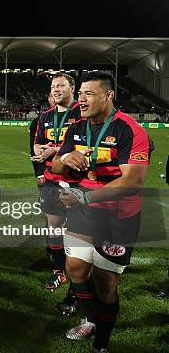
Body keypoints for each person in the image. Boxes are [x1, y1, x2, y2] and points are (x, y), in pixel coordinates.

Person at [52, 71, 150, 353]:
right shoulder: (76, 127)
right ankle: (88, 319)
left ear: (108, 96)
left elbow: (133, 181)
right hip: (83, 212)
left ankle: (101, 344)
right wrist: (66, 158)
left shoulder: (129, 129)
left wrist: (85, 195)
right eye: (80, 94)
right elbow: (58, 167)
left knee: (106, 283)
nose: (81, 100)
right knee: (75, 268)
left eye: (89, 94)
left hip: (117, 217)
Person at [32, 73, 81, 316]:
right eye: (53, 86)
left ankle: (76, 288)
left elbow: (82, 146)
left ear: (73, 88)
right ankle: (59, 271)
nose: (56, 89)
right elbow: (38, 143)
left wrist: (54, 150)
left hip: (76, 182)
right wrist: (42, 152)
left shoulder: (82, 112)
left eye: (61, 85)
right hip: (52, 180)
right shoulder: (46, 116)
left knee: (76, 237)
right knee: (53, 228)